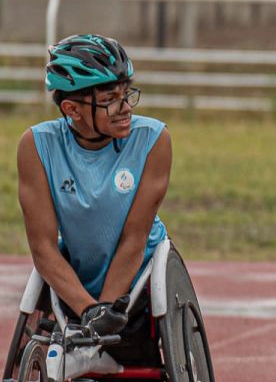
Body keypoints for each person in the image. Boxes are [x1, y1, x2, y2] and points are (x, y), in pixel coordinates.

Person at [17, 33, 168, 336]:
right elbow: (43, 247)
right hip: (75, 281)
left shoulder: (153, 140)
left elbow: (134, 239)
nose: (125, 107)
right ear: (72, 109)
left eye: (126, 94)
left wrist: (106, 310)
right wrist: (88, 309)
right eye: (110, 100)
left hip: (140, 282)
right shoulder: (37, 146)